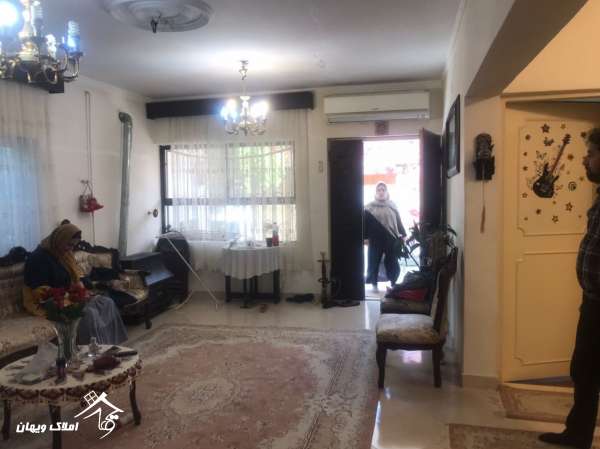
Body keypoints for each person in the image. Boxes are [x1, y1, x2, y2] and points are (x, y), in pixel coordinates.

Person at [539, 128, 600, 449]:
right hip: (592, 302)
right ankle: (577, 435)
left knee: (587, 370)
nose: (585, 160)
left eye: (591, 154)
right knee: (583, 370)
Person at [23, 223, 128, 345]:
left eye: (73, 245)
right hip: (48, 302)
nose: (70, 249)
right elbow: (40, 292)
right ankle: (92, 351)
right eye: (69, 244)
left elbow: (76, 279)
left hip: (67, 297)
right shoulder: (38, 258)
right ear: (59, 239)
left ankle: (112, 346)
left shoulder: (64, 255)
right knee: (89, 313)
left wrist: (82, 293)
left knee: (106, 303)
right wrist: (71, 297)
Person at [364, 181, 406, 288]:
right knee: (373, 261)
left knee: (392, 261)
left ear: (387, 192)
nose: (381, 192)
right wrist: (365, 238)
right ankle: (373, 284)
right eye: (378, 190)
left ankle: (393, 282)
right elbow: (365, 224)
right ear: (375, 192)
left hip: (390, 238)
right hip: (375, 239)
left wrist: (403, 234)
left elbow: (398, 221)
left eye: (383, 190)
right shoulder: (369, 207)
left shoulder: (392, 206)